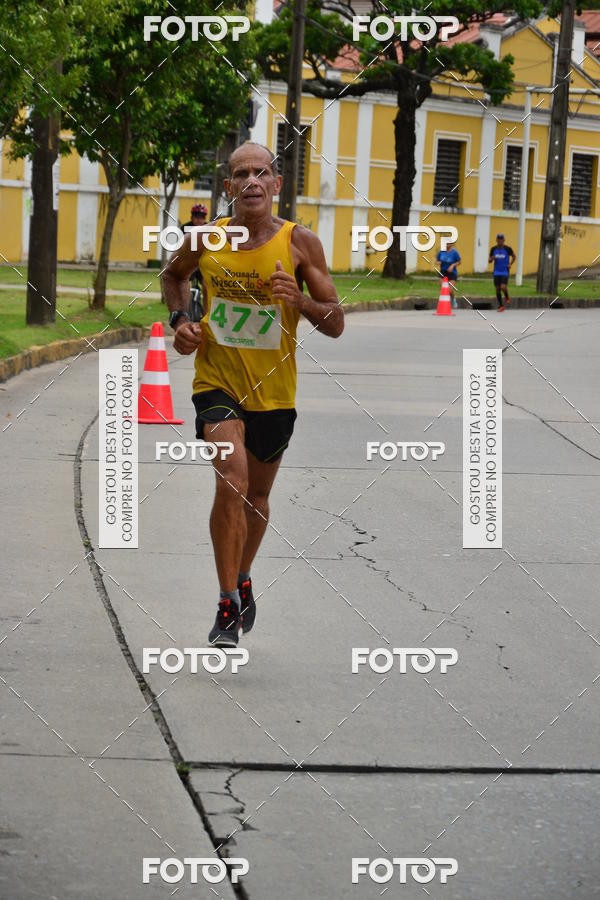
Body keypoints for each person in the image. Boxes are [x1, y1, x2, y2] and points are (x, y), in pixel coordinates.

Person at [162, 143, 344, 647]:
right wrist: (181, 322)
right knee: (232, 482)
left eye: (261, 172)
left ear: (277, 184)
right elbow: (173, 275)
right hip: (216, 382)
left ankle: (243, 577)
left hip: (276, 394)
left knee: (258, 498)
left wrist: (300, 300)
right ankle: (226, 603)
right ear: (228, 188)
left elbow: (336, 324)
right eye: (240, 174)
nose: (251, 181)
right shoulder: (204, 238)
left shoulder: (300, 242)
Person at [488, 233, 516, 312]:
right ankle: (501, 306)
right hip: (496, 271)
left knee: (503, 287)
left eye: (501, 240)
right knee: (497, 289)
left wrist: (510, 264)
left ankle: (507, 296)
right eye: (498, 239)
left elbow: (514, 256)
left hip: (504, 271)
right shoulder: (493, 249)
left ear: (504, 240)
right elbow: (489, 261)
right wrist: (492, 258)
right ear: (496, 240)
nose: (500, 241)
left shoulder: (507, 249)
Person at [436, 240, 461, 309]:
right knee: (443, 289)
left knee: (450, 290)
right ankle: (444, 303)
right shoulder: (441, 252)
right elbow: (437, 260)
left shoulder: (454, 252)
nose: (447, 245)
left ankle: (453, 299)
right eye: (445, 244)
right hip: (443, 272)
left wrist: (453, 265)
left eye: (448, 244)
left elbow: (459, 262)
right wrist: (438, 262)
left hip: (452, 273)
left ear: (451, 244)